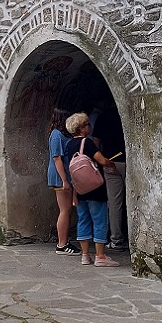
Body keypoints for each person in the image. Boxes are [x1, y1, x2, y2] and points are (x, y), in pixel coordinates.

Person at [63, 112, 119, 267]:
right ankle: (100, 256)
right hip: (95, 188)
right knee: (100, 220)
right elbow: (101, 160)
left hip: (80, 189)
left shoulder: (70, 145)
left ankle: (85, 255)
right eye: (87, 124)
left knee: (83, 220)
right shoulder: (87, 143)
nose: (90, 126)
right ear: (81, 128)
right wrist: (111, 164)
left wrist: (75, 193)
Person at [91, 97, 127, 251]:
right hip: (128, 162)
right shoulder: (125, 113)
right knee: (133, 201)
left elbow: (95, 143)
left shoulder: (103, 117)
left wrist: (101, 161)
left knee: (114, 203)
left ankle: (116, 239)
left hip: (109, 161)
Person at [47, 108, 79, 254]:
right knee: (65, 210)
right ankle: (62, 244)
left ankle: (64, 240)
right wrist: (64, 180)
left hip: (64, 174)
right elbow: (57, 158)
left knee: (67, 210)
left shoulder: (60, 135)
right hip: (60, 176)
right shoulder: (56, 135)